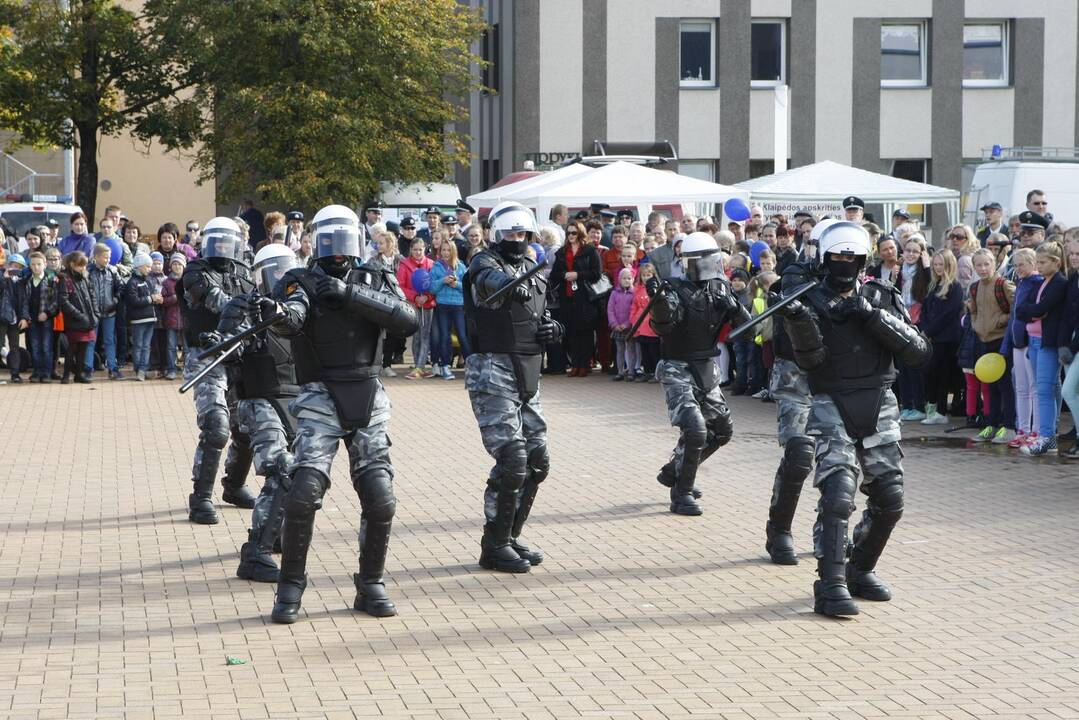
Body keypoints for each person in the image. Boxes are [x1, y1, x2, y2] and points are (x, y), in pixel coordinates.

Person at [266, 204, 419, 622]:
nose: (337, 251)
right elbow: (291, 316)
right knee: (304, 492)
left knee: (380, 497)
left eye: (343, 240)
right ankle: (290, 588)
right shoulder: (300, 280)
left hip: (369, 391)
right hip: (320, 393)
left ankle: (370, 584)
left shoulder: (376, 276)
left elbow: (408, 319)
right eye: (329, 241)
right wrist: (280, 314)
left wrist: (352, 294)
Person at [776, 221, 931, 617]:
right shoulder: (808, 299)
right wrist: (798, 321)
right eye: (838, 256)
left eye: (853, 257)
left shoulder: (881, 295)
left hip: (879, 399)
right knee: (839, 492)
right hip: (832, 400)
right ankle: (829, 586)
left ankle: (860, 568)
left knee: (890, 498)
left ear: (864, 259)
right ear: (825, 258)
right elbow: (810, 362)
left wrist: (871, 316)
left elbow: (918, 350)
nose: (845, 263)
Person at [462, 201, 562, 573]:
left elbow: (542, 313)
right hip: (493, 368)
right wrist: (508, 286)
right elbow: (488, 284)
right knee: (513, 457)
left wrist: (555, 330)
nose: (516, 240)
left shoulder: (533, 271)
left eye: (522, 233)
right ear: (496, 234)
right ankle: (495, 544)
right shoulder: (484, 263)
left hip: (529, 371)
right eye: (509, 233)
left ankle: (509, 534)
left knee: (537, 460)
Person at [194, 244, 301, 583]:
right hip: (257, 398)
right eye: (272, 271)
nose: (279, 277)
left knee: (301, 474)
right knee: (280, 466)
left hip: (299, 399)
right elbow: (228, 345)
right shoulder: (243, 306)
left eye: (284, 269)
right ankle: (255, 552)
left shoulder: (303, 304)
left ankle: (277, 530)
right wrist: (223, 342)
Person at [647, 232, 749, 516]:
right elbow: (664, 325)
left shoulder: (720, 288)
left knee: (722, 431)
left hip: (706, 367)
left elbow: (748, 330)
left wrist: (734, 307)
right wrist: (659, 302)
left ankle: (676, 470)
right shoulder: (674, 289)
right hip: (677, 367)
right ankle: (681, 493)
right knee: (695, 428)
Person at [178, 217, 258, 524]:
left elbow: (258, 304)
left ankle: (234, 485)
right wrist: (247, 310)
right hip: (206, 355)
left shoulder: (244, 272)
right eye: (218, 241)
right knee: (216, 426)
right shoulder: (195, 272)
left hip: (239, 355)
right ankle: (200, 498)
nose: (223, 247)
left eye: (228, 241)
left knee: (248, 425)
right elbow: (220, 302)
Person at [763, 250, 818, 565]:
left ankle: (831, 533)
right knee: (799, 454)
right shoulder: (796, 279)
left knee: (841, 461)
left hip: (839, 381)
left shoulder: (861, 287)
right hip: (796, 376)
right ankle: (779, 529)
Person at [1016, 241, 1069, 456]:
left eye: (1043, 262)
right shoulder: (1043, 282)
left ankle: (1046, 436)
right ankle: (1049, 434)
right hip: (1034, 339)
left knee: (1045, 390)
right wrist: (1033, 311)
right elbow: (1023, 309)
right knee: (1047, 387)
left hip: (1047, 341)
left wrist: (1033, 311)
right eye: (1037, 262)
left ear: (1056, 262)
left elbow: (1041, 308)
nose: (1038, 266)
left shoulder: (1059, 283)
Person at [967, 248, 1017, 443]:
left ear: (994, 264)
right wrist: (975, 323)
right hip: (983, 339)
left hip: (1001, 340)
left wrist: (1001, 320)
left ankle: (1009, 426)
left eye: (986, 264)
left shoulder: (1003, 284)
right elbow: (973, 308)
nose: (983, 268)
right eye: (978, 265)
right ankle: (992, 424)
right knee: (988, 385)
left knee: (1005, 385)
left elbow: (1016, 308)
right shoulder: (974, 287)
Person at [1000, 248, 1042, 448]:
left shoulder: (1037, 283)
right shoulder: (1021, 283)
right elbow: (1013, 318)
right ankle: (1022, 429)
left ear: (1033, 264)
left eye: (1022, 265)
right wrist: (1006, 346)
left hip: (1030, 341)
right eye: (1015, 266)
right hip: (1017, 342)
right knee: (1021, 388)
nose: (1018, 269)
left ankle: (1036, 429)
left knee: (1034, 387)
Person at [549, 221, 602, 376]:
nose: (570, 236)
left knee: (585, 333)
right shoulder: (561, 252)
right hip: (567, 298)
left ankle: (584, 365)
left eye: (573, 233)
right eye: (568, 233)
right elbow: (554, 275)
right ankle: (575, 364)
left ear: (580, 233)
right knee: (571, 333)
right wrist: (563, 275)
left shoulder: (590, 251)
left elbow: (596, 273)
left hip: (585, 298)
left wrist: (578, 274)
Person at [918, 250, 964, 425]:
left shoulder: (955, 287)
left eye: (941, 264)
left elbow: (948, 314)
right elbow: (926, 312)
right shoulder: (933, 285)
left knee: (942, 374)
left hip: (947, 338)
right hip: (932, 337)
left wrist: (928, 331)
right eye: (935, 264)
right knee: (930, 373)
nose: (937, 268)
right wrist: (924, 330)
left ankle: (941, 410)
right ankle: (933, 408)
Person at [896, 235, 931, 420]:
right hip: (901, 322)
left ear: (921, 253)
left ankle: (919, 406)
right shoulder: (899, 271)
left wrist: (926, 266)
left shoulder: (924, 272)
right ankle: (907, 404)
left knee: (915, 367)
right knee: (902, 367)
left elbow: (931, 288)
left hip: (918, 324)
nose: (910, 254)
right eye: (908, 250)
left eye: (915, 251)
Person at [429, 238, 469, 380]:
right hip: (443, 305)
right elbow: (432, 288)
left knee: (463, 335)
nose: (446, 253)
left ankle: (471, 366)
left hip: (459, 306)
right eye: (443, 250)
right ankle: (445, 366)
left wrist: (456, 284)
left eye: (448, 250)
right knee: (444, 336)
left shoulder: (461, 266)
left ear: (454, 251)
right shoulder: (436, 266)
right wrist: (442, 281)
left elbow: (467, 287)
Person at [57, 251, 100, 384]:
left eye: (84, 266)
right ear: (72, 264)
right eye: (80, 266)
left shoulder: (85, 278)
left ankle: (79, 374)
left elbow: (93, 296)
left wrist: (96, 313)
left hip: (88, 319)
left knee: (84, 347)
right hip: (75, 320)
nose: (83, 268)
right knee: (72, 348)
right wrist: (79, 315)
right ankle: (66, 375)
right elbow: (64, 301)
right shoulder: (65, 278)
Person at [396, 238, 436, 379]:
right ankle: (417, 365)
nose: (418, 252)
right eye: (415, 249)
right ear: (411, 250)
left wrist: (427, 297)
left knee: (425, 334)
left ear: (425, 249)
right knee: (416, 335)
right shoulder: (404, 264)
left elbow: (435, 284)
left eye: (420, 249)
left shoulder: (431, 264)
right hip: (413, 305)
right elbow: (400, 286)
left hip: (427, 305)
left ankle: (420, 367)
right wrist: (414, 297)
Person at [86, 243, 123, 380]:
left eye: (109, 257)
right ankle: (88, 368)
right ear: (96, 257)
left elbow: (120, 288)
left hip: (110, 311)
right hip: (93, 313)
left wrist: (115, 300)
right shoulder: (88, 272)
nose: (107, 260)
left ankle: (112, 367)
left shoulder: (113, 271)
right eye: (105, 257)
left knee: (110, 340)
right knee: (91, 340)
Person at [20, 252, 57, 383]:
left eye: (39, 264)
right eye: (33, 264)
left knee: (47, 346)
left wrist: (47, 313)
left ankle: (46, 372)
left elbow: (56, 301)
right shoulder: (27, 281)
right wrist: (25, 317)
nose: (36, 267)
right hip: (33, 320)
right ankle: (37, 371)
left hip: (46, 319)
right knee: (35, 346)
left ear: (45, 264)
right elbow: (24, 301)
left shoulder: (51, 280)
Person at [124, 253, 157, 381]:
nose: (150, 269)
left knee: (146, 345)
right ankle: (139, 369)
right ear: (139, 266)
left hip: (150, 318)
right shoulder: (132, 282)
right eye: (147, 267)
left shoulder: (148, 280)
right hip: (138, 319)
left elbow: (151, 296)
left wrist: (156, 299)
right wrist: (150, 299)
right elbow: (133, 301)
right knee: (138, 345)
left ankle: (142, 369)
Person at [631, 261, 660, 382]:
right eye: (643, 275)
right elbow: (634, 306)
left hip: (652, 325)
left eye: (648, 275)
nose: (646, 278)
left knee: (655, 351)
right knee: (644, 351)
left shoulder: (656, 289)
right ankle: (647, 371)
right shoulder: (637, 289)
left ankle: (656, 373)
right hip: (640, 324)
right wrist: (633, 321)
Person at [0, 254, 28, 383]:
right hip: (2, 317)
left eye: (19, 267)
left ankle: (15, 373)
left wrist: (24, 317)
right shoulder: (2, 277)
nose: (15, 269)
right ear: (7, 265)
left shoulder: (22, 282)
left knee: (15, 347)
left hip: (15, 319)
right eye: (13, 266)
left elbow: (24, 301)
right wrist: (4, 279)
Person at [607, 268, 638, 381]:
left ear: (633, 279)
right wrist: (614, 324)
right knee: (619, 350)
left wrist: (627, 324)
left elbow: (634, 311)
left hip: (629, 327)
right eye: (624, 278)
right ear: (619, 280)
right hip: (617, 327)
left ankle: (631, 371)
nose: (626, 280)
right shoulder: (614, 293)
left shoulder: (634, 294)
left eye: (629, 278)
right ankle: (620, 371)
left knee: (631, 350)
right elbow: (610, 310)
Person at [160, 254, 186, 380]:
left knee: (187, 346)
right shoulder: (166, 282)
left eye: (179, 264)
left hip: (186, 320)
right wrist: (174, 298)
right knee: (171, 346)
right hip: (171, 319)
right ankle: (171, 369)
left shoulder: (188, 280)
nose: (177, 266)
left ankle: (188, 368)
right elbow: (162, 301)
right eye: (174, 264)